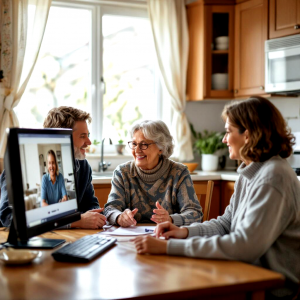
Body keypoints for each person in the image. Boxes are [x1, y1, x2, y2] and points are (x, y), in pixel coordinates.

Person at [133, 97, 300, 300]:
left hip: (270, 288)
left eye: (228, 131)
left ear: (247, 134)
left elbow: (244, 246)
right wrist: (184, 232)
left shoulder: (273, 177)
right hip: (245, 274)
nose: (224, 139)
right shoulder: (250, 172)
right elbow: (225, 224)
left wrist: (169, 247)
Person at [0, 107, 106, 229]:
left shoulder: (83, 166)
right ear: (62, 137)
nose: (89, 142)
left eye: (88, 135)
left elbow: (91, 204)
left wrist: (95, 216)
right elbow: (8, 216)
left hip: (67, 237)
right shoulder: (16, 169)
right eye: (82, 136)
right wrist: (74, 221)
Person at [103, 120, 203, 227]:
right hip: (133, 238)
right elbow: (110, 209)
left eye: (144, 144)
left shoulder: (179, 172)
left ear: (161, 148)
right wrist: (119, 217)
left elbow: (195, 214)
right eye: (134, 144)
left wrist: (171, 219)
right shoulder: (122, 172)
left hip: (168, 238)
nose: (137, 150)